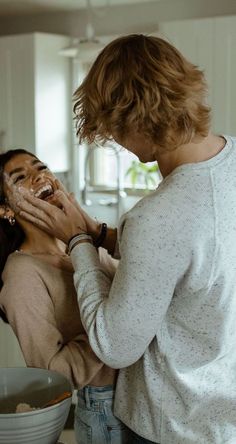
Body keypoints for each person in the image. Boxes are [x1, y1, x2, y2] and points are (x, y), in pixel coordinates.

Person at [14, 34, 236, 444]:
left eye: (112, 127)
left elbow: (116, 347)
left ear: (133, 118)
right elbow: (189, 257)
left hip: (173, 424)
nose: (113, 139)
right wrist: (100, 233)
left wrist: (80, 241)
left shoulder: (158, 216)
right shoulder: (231, 162)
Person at [0, 148, 130, 444]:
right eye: (21, 177)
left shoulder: (79, 244)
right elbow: (52, 373)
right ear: (6, 209)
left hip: (139, 395)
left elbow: (128, 292)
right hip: (106, 411)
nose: (39, 177)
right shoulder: (22, 274)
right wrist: (106, 331)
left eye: (40, 166)